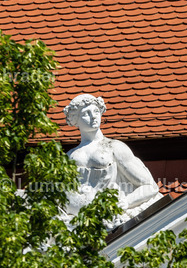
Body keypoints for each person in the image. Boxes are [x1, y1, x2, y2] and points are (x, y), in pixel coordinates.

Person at [62, 93, 161, 226]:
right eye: (86, 113)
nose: (93, 116)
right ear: (75, 120)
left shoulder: (113, 147)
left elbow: (149, 185)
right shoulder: (69, 156)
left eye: (96, 111)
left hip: (111, 221)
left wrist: (127, 202)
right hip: (76, 223)